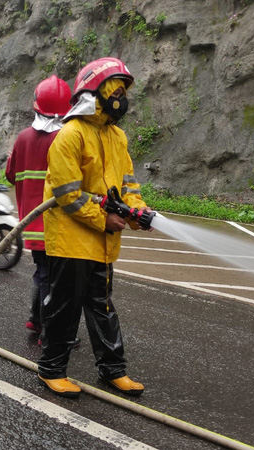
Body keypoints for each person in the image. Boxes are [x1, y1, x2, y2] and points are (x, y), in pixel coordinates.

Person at [38, 57, 151, 399]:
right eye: (115, 90)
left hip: (102, 243)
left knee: (102, 307)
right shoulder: (70, 135)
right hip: (71, 239)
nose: (121, 97)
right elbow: (67, 194)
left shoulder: (118, 137)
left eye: (123, 91)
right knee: (64, 308)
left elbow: (128, 185)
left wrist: (137, 212)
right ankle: (52, 369)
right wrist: (105, 218)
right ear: (95, 93)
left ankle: (113, 369)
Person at [5, 75, 71, 336]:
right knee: (53, 279)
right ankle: (49, 330)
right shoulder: (64, 138)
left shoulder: (22, 138)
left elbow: (11, 175)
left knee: (42, 273)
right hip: (55, 224)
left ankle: (35, 318)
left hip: (30, 222)